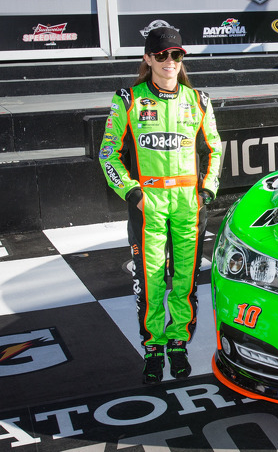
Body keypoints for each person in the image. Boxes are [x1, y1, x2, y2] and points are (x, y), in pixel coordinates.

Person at [98, 27, 222, 384]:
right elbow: (108, 153)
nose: (170, 62)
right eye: (162, 55)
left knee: (185, 279)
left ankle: (178, 342)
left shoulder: (198, 99)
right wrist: (132, 193)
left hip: (188, 203)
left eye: (176, 55)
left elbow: (213, 148)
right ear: (148, 59)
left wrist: (207, 192)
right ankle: (153, 346)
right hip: (148, 203)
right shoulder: (128, 99)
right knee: (151, 280)